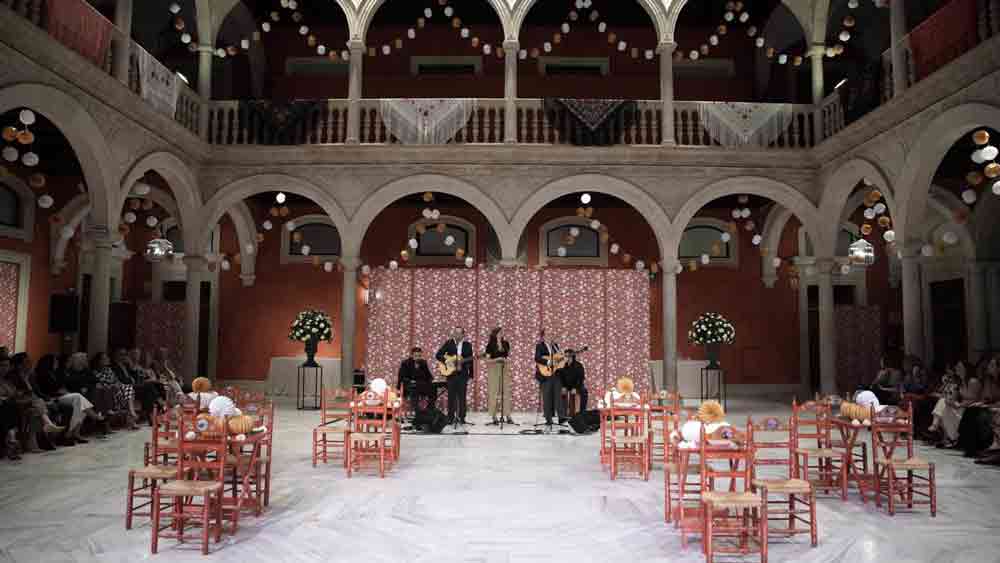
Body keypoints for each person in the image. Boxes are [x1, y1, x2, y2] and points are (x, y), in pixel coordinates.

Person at [33, 354, 104, 444]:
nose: (56, 363)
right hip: (54, 397)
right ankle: (95, 418)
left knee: (81, 404)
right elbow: (49, 389)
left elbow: (64, 385)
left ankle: (70, 434)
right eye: (55, 361)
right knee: (79, 399)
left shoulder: (56, 372)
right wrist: (60, 391)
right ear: (49, 362)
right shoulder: (44, 374)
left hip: (63, 396)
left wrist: (63, 390)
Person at [929, 361, 980, 448]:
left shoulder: (973, 381)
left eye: (959, 367)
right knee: (943, 402)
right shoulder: (960, 382)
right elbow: (952, 395)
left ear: (966, 369)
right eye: (957, 366)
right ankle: (947, 436)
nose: (956, 368)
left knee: (944, 409)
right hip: (962, 407)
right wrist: (951, 401)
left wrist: (960, 404)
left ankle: (940, 430)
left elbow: (976, 399)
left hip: (970, 409)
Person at [435, 327, 474, 425]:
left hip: (463, 374)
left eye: (459, 333)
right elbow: (438, 355)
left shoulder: (467, 345)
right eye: (455, 333)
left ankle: (462, 417)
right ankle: (450, 417)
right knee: (451, 396)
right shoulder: (449, 343)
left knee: (462, 396)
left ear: (463, 335)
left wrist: (471, 373)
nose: (457, 335)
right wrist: (448, 361)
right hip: (451, 374)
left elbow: (471, 359)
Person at [93, 351, 139, 430]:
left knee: (128, 388)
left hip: (116, 390)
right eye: (105, 358)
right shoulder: (95, 371)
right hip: (107, 392)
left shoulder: (109, 369)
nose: (108, 359)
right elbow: (103, 383)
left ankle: (131, 412)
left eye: (107, 357)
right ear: (99, 361)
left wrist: (118, 384)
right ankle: (131, 417)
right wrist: (114, 385)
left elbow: (116, 380)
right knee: (123, 392)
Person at [535, 330, 563, 428]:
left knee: (558, 396)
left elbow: (559, 358)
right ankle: (548, 419)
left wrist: (562, 358)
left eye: (551, 334)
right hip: (545, 374)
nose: (551, 336)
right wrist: (548, 362)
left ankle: (561, 418)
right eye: (548, 335)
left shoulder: (555, 346)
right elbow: (537, 358)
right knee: (546, 397)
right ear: (543, 336)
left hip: (555, 374)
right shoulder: (539, 346)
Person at [485, 327, 512, 425]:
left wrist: (506, 360)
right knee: (494, 392)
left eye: (502, 332)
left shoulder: (506, 343)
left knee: (506, 392)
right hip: (494, 368)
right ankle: (494, 416)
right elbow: (487, 360)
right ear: (495, 334)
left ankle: (508, 415)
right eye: (500, 332)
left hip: (504, 368)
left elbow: (508, 356)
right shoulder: (490, 345)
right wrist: (497, 359)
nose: (502, 334)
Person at [560, 349, 588, 417]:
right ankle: (563, 413)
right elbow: (561, 377)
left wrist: (575, 388)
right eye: (565, 356)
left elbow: (581, 378)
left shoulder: (579, 365)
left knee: (584, 392)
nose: (565, 357)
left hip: (577, 385)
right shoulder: (563, 365)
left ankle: (582, 412)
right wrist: (563, 386)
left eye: (567, 356)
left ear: (571, 357)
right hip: (567, 385)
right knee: (559, 392)